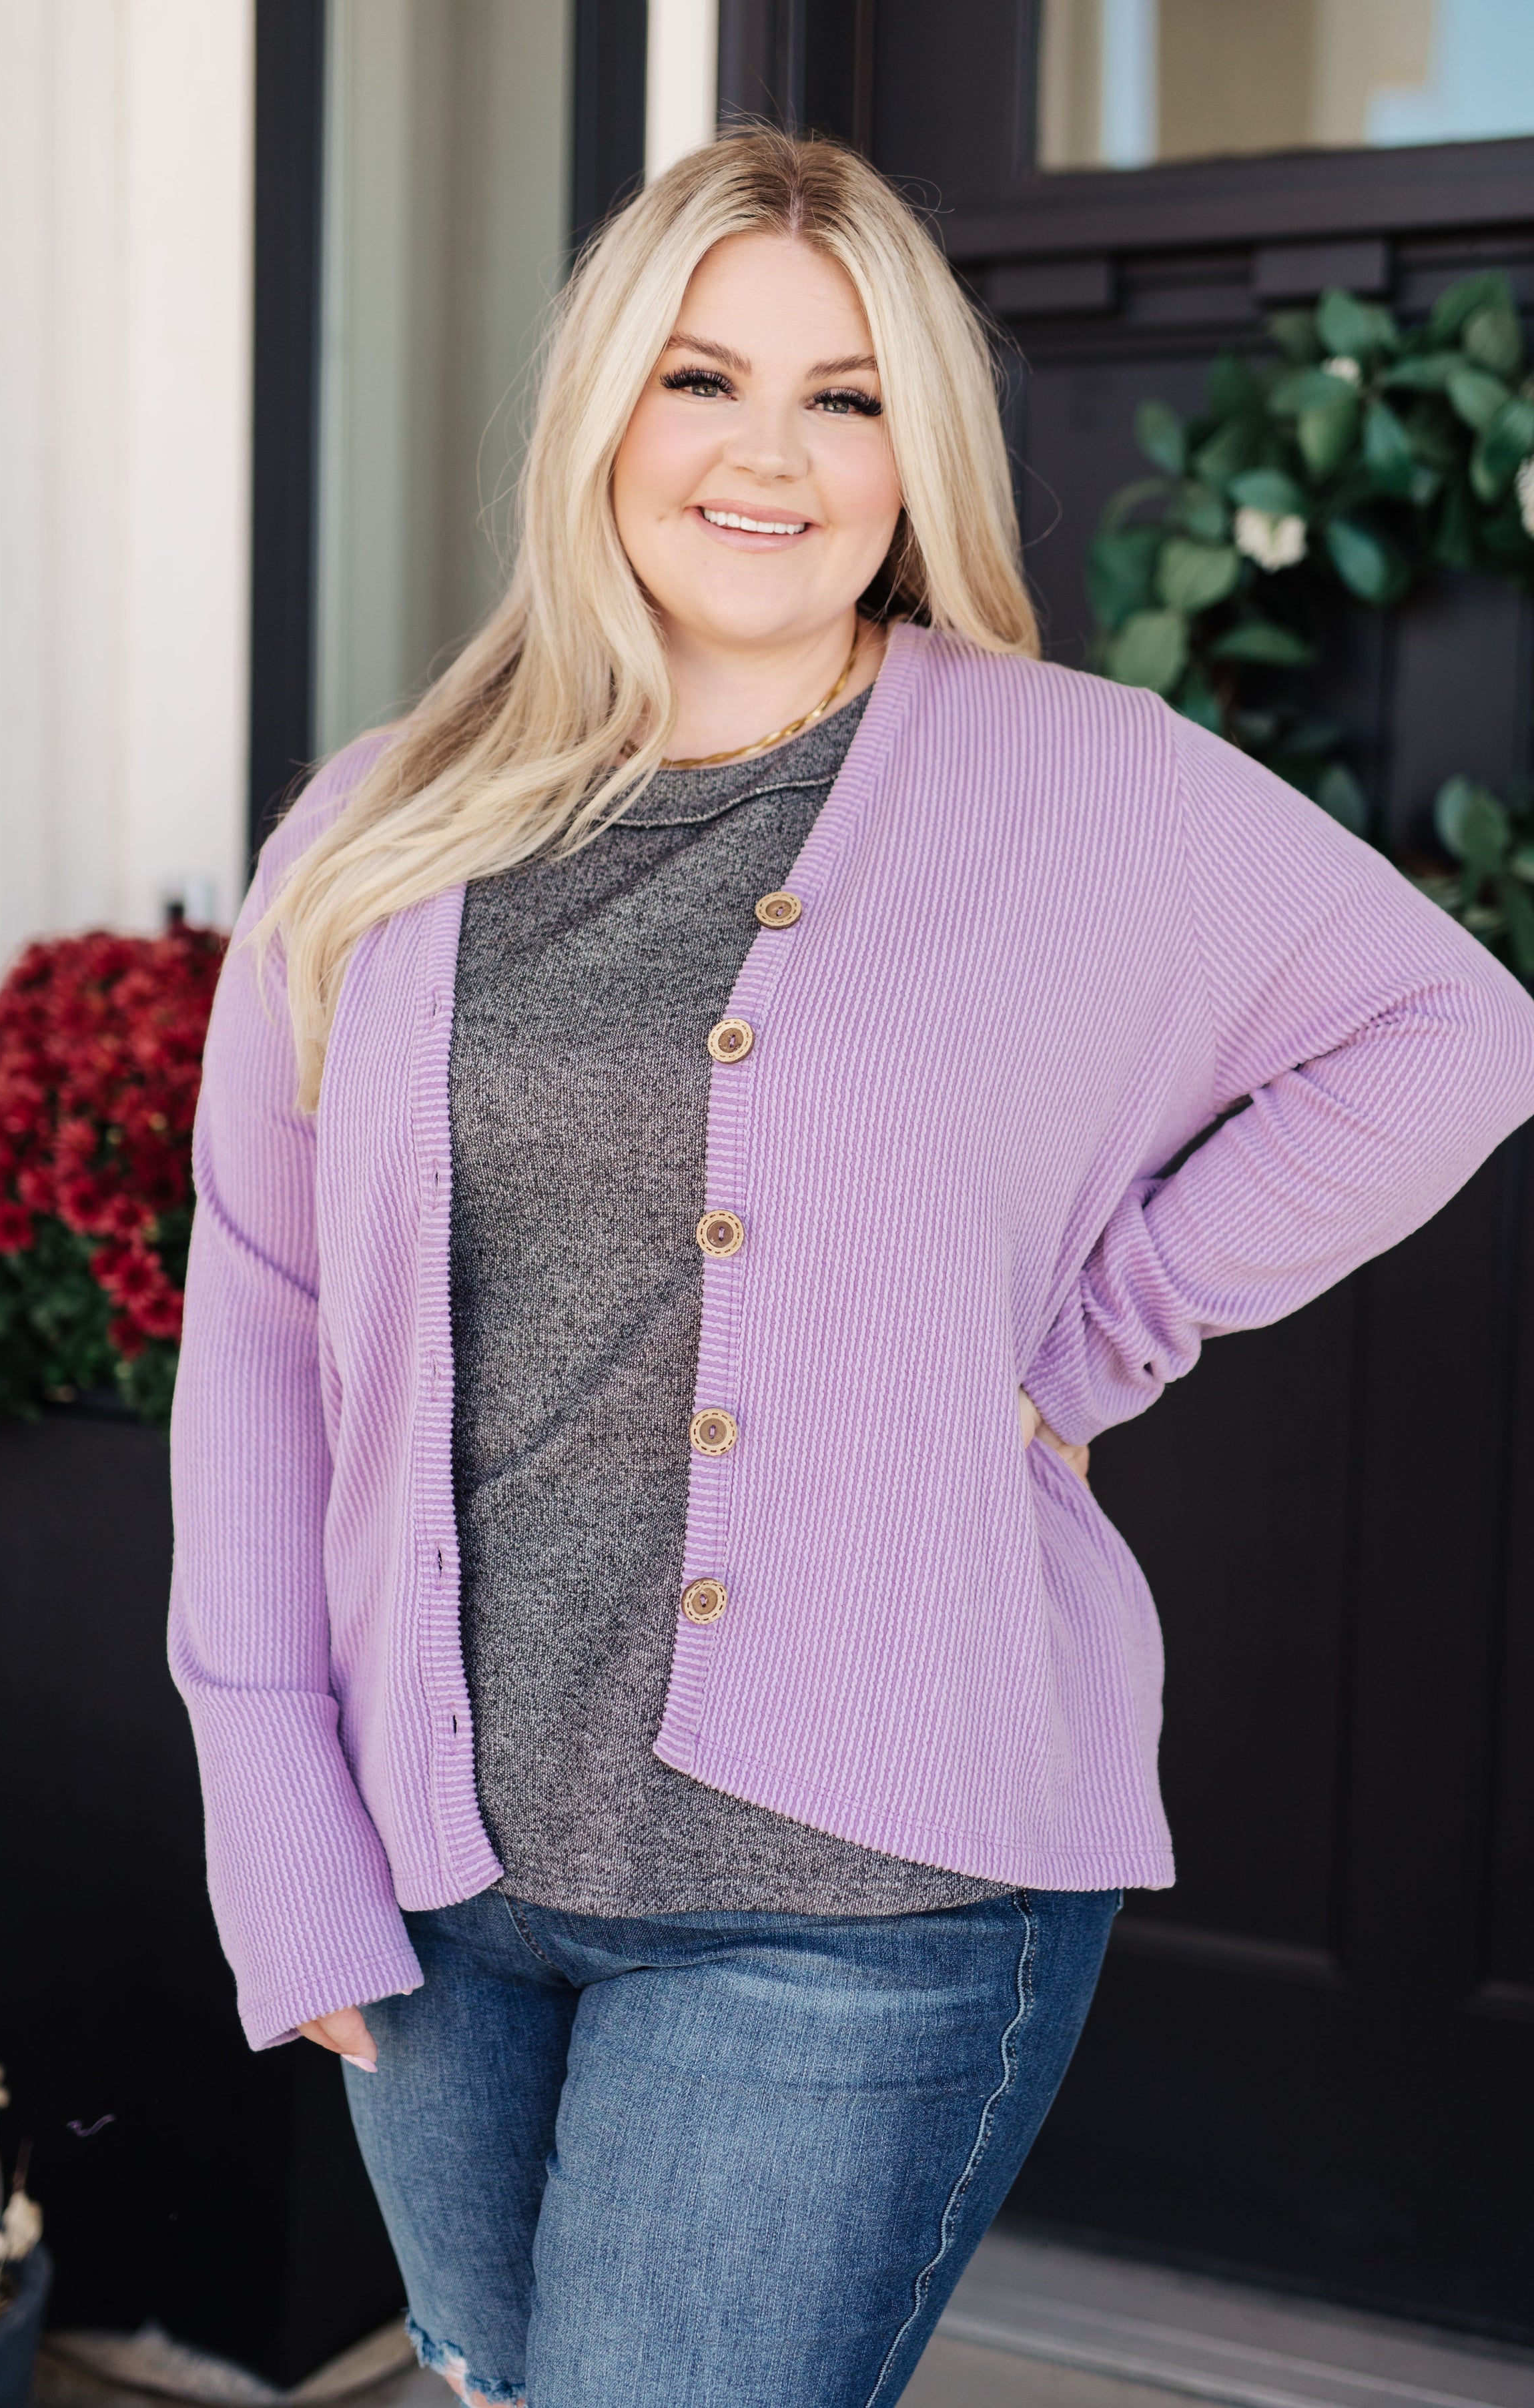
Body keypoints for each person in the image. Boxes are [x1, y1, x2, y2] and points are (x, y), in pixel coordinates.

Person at [169, 130, 1534, 2408]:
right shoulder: (383, 823)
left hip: (849, 1888)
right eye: (705, 378)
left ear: (921, 452)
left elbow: (1451, 1032)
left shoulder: (1073, 782)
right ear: (603, 410)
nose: (770, 458)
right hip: (442, 1878)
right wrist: (272, 1817)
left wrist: (1091, 1342)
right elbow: (260, 1335)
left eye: (849, 396)